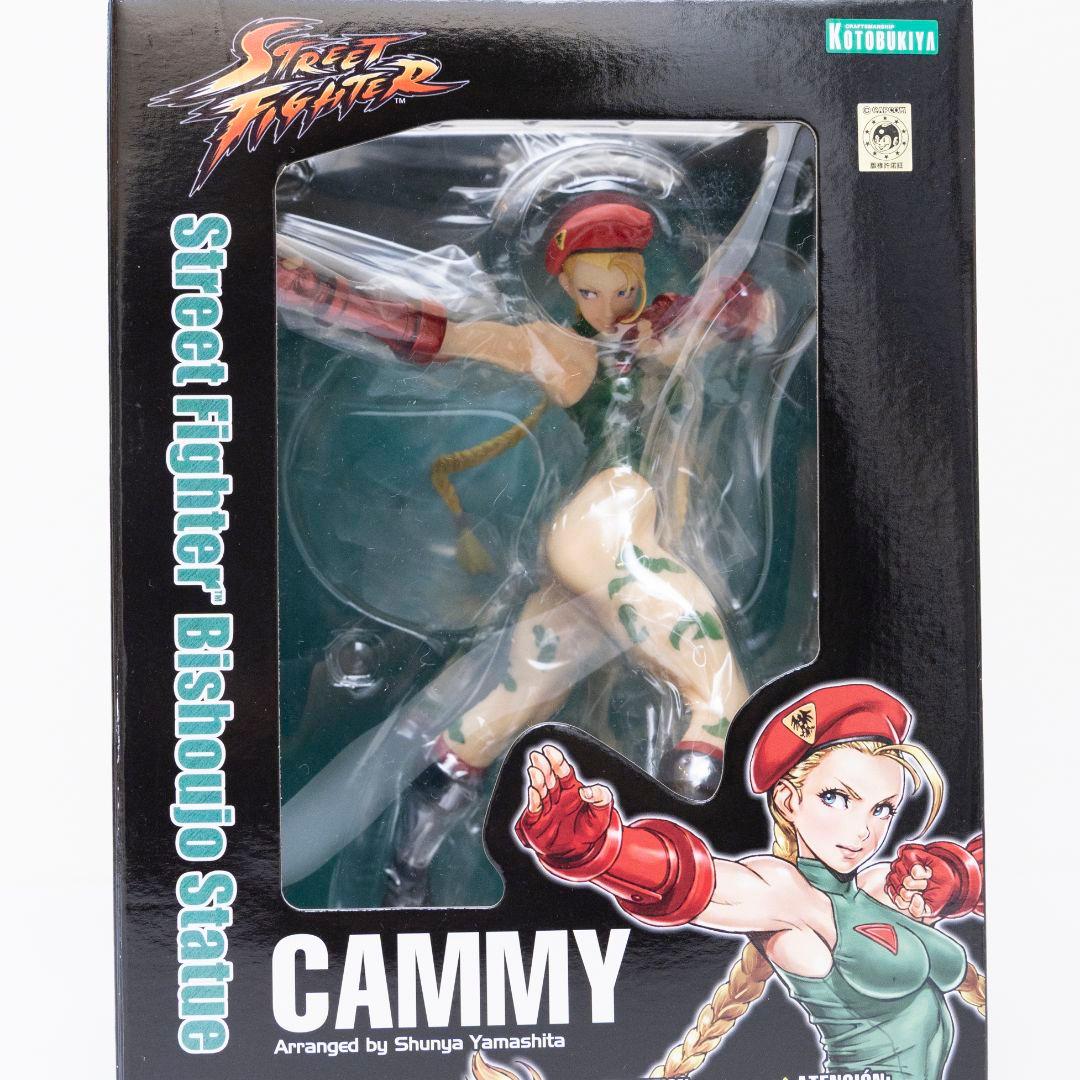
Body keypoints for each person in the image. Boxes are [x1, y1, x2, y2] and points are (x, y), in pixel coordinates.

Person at [279, 197, 775, 904]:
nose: (612, 305)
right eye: (592, 292)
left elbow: (751, 316)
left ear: (641, 277)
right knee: (668, 615)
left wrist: (734, 295)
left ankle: (405, 871)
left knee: (513, 700)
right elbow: (466, 339)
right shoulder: (568, 353)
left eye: (624, 288)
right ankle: (717, 723)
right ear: (567, 289)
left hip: (589, 557)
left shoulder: (664, 336)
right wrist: (339, 305)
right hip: (605, 524)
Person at [514, 682, 986, 1080]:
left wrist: (957, 877)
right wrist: (601, 848)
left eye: (882, 808)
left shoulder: (878, 885)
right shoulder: (788, 895)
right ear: (788, 801)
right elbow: (698, 882)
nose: (864, 830)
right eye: (837, 798)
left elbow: (988, 875)